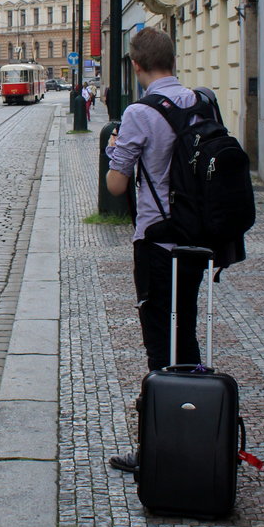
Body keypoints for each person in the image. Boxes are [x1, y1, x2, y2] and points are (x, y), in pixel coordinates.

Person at [103, 27, 208, 474]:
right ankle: (197, 435)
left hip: (156, 242)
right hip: (196, 240)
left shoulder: (139, 112)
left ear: (136, 65)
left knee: (158, 344)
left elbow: (116, 185)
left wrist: (113, 152)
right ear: (173, 59)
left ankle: (157, 451)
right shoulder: (200, 101)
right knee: (186, 332)